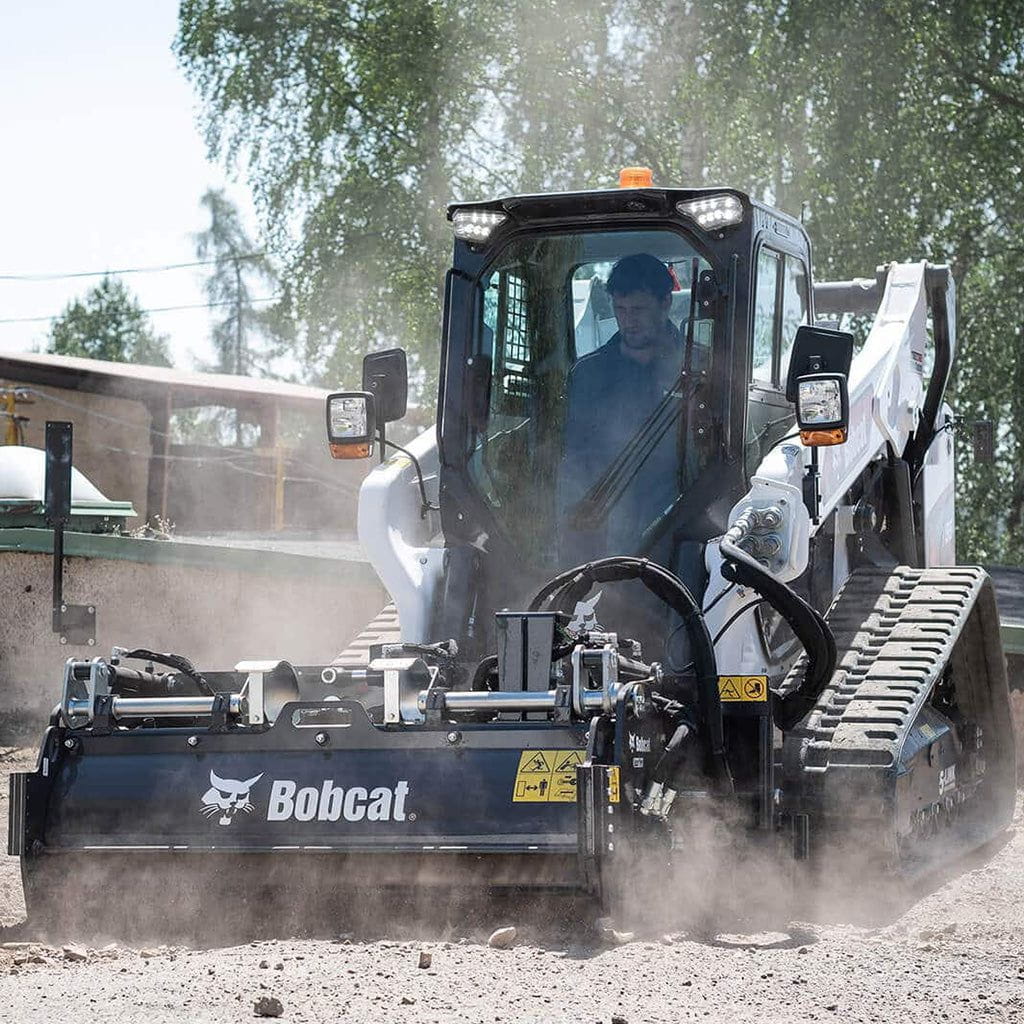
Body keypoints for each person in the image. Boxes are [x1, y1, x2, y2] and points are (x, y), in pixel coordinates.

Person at [559, 252, 687, 563]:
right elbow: (573, 460)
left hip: (682, 532)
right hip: (602, 533)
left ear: (666, 303)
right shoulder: (588, 375)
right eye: (621, 309)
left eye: (639, 309)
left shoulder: (699, 369)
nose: (629, 320)